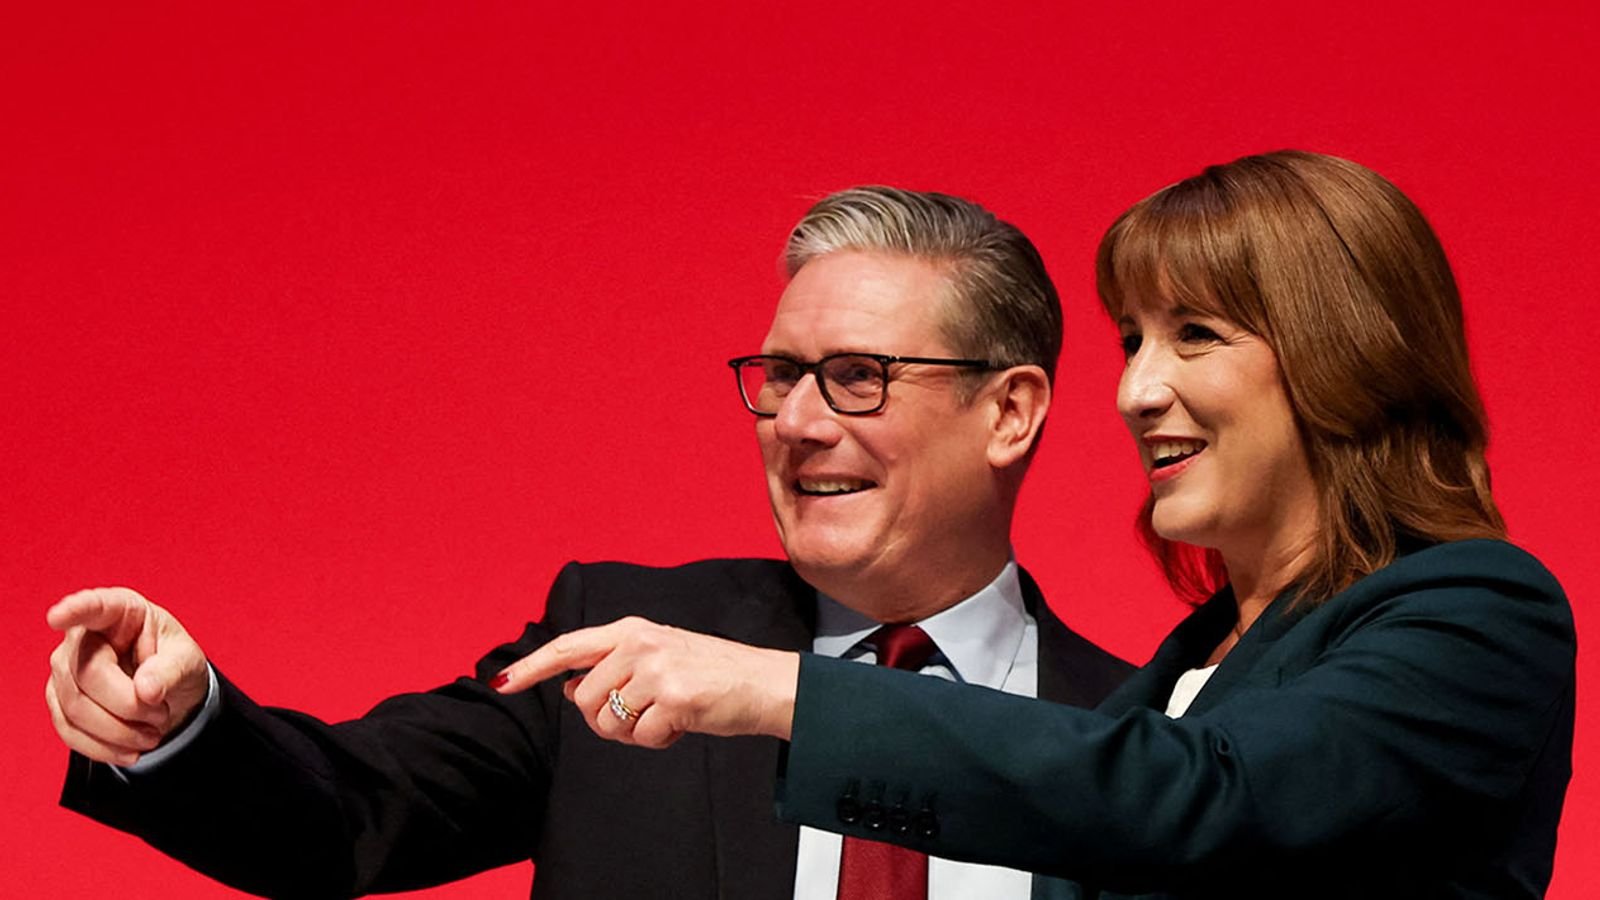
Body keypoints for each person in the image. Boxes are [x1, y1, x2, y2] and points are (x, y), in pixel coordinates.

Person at [498, 152, 1576, 899]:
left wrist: (782, 692)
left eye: (1193, 335)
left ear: (1347, 355)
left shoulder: (1474, 611)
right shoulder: (1188, 664)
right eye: (1129, 342)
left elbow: (1210, 792)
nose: (1136, 392)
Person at [44, 186, 1133, 899]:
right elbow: (344, 813)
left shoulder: (1153, 740)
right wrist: (180, 725)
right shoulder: (621, 642)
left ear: (1009, 412)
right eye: (781, 377)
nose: (798, 423)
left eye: (857, 377)